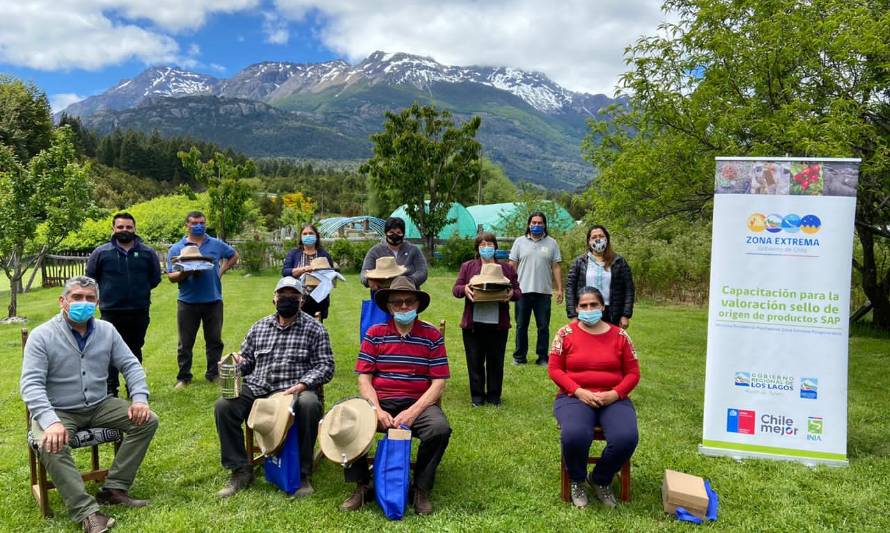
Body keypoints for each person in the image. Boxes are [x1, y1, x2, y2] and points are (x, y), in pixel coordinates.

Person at [20, 276, 159, 533]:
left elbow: (130, 365)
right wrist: (51, 422)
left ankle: (114, 488)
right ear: (63, 301)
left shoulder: (107, 331)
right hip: (58, 410)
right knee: (51, 442)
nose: (83, 303)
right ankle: (87, 512)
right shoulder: (42, 336)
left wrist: (139, 398)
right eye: (76, 297)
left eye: (89, 298)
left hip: (99, 404)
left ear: (97, 303)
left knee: (147, 420)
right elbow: (31, 385)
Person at [214, 276, 334, 499]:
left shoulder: (315, 329)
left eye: (293, 296)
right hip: (259, 387)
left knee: (309, 404)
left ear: (302, 300)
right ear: (274, 298)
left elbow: (326, 366)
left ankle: (301, 472)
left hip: (295, 390)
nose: (287, 299)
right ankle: (240, 470)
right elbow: (248, 361)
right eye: (282, 295)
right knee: (224, 406)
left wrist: (304, 383)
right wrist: (236, 362)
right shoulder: (259, 327)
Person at [341, 276, 451, 516]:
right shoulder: (375, 333)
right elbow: (364, 379)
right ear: (389, 306)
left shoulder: (431, 336)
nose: (403, 307)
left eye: (409, 301)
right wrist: (376, 409)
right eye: (397, 302)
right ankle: (363, 484)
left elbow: (438, 383)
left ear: (417, 304)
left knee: (439, 428)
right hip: (381, 399)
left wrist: (412, 412)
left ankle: (420, 487)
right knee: (347, 418)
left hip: (418, 402)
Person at [548, 287, 640, 509]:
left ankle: (600, 478)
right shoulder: (565, 334)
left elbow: (633, 373)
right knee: (575, 435)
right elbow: (555, 370)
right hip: (574, 396)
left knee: (626, 438)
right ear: (577, 308)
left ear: (602, 307)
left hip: (612, 397)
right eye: (584, 305)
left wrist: (615, 394)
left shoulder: (620, 336)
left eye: (594, 305)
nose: (589, 309)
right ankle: (577, 480)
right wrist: (579, 391)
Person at [86, 212, 161, 398]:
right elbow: (91, 278)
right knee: (108, 349)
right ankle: (111, 389)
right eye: (120, 227)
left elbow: (155, 279)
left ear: (134, 229)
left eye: (128, 227)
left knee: (134, 350)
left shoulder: (147, 253)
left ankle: (134, 388)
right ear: (113, 229)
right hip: (111, 310)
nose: (124, 230)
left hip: (138, 310)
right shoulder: (101, 253)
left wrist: (138, 291)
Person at [167, 211, 239, 389]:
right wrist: (186, 272)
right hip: (187, 301)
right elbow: (171, 276)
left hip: (213, 299)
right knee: (185, 342)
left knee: (214, 340)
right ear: (187, 225)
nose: (198, 225)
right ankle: (184, 377)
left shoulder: (215, 244)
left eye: (202, 222)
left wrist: (220, 271)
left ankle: (213, 373)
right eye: (194, 223)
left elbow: (233, 255)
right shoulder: (177, 248)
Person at [452, 232, 521, 406]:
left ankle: (494, 396)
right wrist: (465, 289)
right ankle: (477, 397)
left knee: (496, 361)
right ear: (477, 248)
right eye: (482, 245)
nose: (486, 248)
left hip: (498, 324)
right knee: (474, 360)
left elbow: (518, 292)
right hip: (473, 324)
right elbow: (456, 289)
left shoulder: (506, 269)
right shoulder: (468, 267)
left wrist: (512, 293)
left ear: (496, 247)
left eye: (489, 244)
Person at [509, 211, 564, 366]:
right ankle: (519, 357)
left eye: (540, 223)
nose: (536, 225)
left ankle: (542, 357)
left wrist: (560, 289)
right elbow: (512, 266)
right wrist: (509, 286)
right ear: (529, 224)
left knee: (543, 327)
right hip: (522, 292)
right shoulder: (519, 242)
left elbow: (556, 267)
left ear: (545, 225)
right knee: (521, 326)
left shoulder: (552, 243)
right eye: (534, 222)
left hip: (544, 293)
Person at [565, 225, 635, 328]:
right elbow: (570, 289)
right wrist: (573, 315)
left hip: (612, 313)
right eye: (594, 237)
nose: (598, 239)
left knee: (610, 343)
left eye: (601, 236)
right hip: (587, 311)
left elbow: (629, 289)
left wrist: (625, 315)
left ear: (607, 239)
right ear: (589, 241)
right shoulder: (579, 262)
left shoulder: (619, 262)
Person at [282, 224, 334, 321]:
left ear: (316, 236)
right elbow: (285, 272)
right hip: (297, 298)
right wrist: (304, 269)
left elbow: (331, 274)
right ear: (301, 237)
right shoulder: (294, 253)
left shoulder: (324, 254)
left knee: (316, 329)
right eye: (305, 234)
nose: (308, 236)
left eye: (311, 233)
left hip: (318, 300)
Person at [360, 217, 428, 290]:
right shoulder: (374, 251)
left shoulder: (414, 250)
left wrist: (407, 281)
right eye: (391, 232)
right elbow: (364, 272)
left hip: (409, 292)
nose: (395, 235)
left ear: (403, 234)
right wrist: (368, 280)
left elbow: (422, 271)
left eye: (398, 232)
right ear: (386, 233)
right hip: (382, 294)